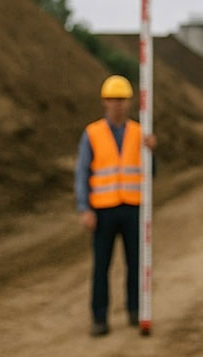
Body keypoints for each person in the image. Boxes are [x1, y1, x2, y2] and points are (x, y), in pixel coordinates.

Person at [74, 75, 156, 337]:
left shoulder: (140, 133)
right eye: (112, 99)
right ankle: (99, 318)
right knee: (101, 267)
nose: (117, 104)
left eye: (121, 100)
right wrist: (84, 208)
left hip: (133, 209)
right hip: (103, 210)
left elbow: (151, 173)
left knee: (135, 263)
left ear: (129, 103)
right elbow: (82, 173)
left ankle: (135, 310)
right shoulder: (92, 133)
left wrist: (152, 151)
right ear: (104, 102)